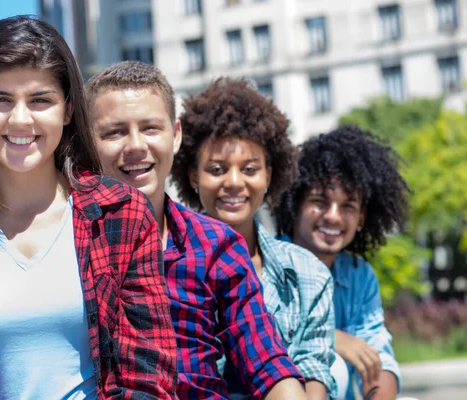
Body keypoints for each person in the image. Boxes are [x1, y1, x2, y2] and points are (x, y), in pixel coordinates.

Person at [0, 16, 177, 399]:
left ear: (69, 109)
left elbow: (148, 373)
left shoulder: (121, 213)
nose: (20, 119)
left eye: (40, 100)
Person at [86, 61, 306, 400]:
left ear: (175, 136)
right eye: (114, 132)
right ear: (88, 143)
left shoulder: (216, 245)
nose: (135, 146)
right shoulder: (67, 241)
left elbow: (265, 360)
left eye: (150, 128)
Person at [172, 77, 337, 400]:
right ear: (193, 177)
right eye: (217, 169)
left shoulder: (307, 273)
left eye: (249, 169)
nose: (234, 183)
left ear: (268, 176)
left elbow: (314, 368)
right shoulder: (168, 262)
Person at [273, 127, 411, 400]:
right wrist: (335, 339)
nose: (333, 217)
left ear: (361, 218)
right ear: (295, 205)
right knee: (333, 365)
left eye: (348, 206)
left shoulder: (359, 276)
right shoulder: (268, 261)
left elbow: (378, 358)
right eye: (319, 201)